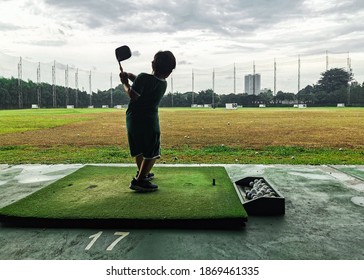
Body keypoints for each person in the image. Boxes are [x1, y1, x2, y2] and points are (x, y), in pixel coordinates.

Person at [119, 50, 176, 192]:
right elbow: (140, 86)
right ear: (169, 72)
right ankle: (140, 181)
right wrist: (130, 78)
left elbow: (133, 93)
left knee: (138, 148)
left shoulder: (144, 78)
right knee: (151, 151)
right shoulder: (163, 84)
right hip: (149, 121)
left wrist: (125, 83)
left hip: (132, 118)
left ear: (152, 64)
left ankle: (142, 173)